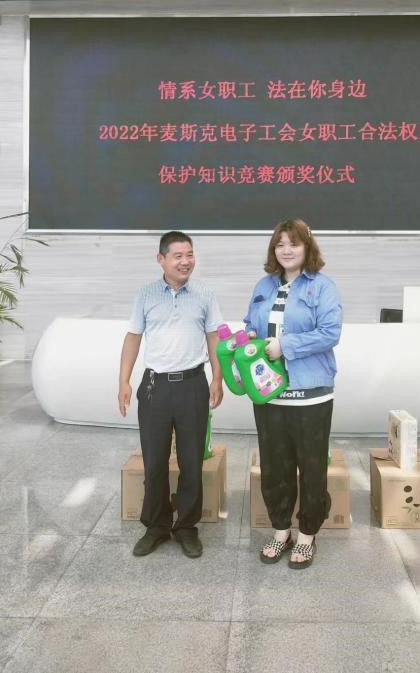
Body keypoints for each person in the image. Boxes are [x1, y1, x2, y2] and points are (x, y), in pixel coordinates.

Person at [118, 230, 223, 559]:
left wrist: (217, 378)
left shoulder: (205, 294)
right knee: (154, 461)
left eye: (190, 254)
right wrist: (123, 381)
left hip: (193, 385)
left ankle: (187, 527)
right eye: (178, 255)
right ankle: (156, 525)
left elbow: (214, 339)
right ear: (161, 259)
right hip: (155, 387)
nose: (185, 261)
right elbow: (133, 338)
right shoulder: (146, 295)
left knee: (192, 461)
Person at [244, 218, 342, 569]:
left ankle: (307, 534)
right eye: (280, 244)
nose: (286, 250)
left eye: (293, 243)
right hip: (269, 393)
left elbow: (330, 333)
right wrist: (247, 341)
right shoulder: (263, 285)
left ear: (307, 247)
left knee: (311, 467)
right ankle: (281, 529)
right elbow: (250, 326)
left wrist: (285, 346)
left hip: (310, 393)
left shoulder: (323, 287)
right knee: (274, 466)